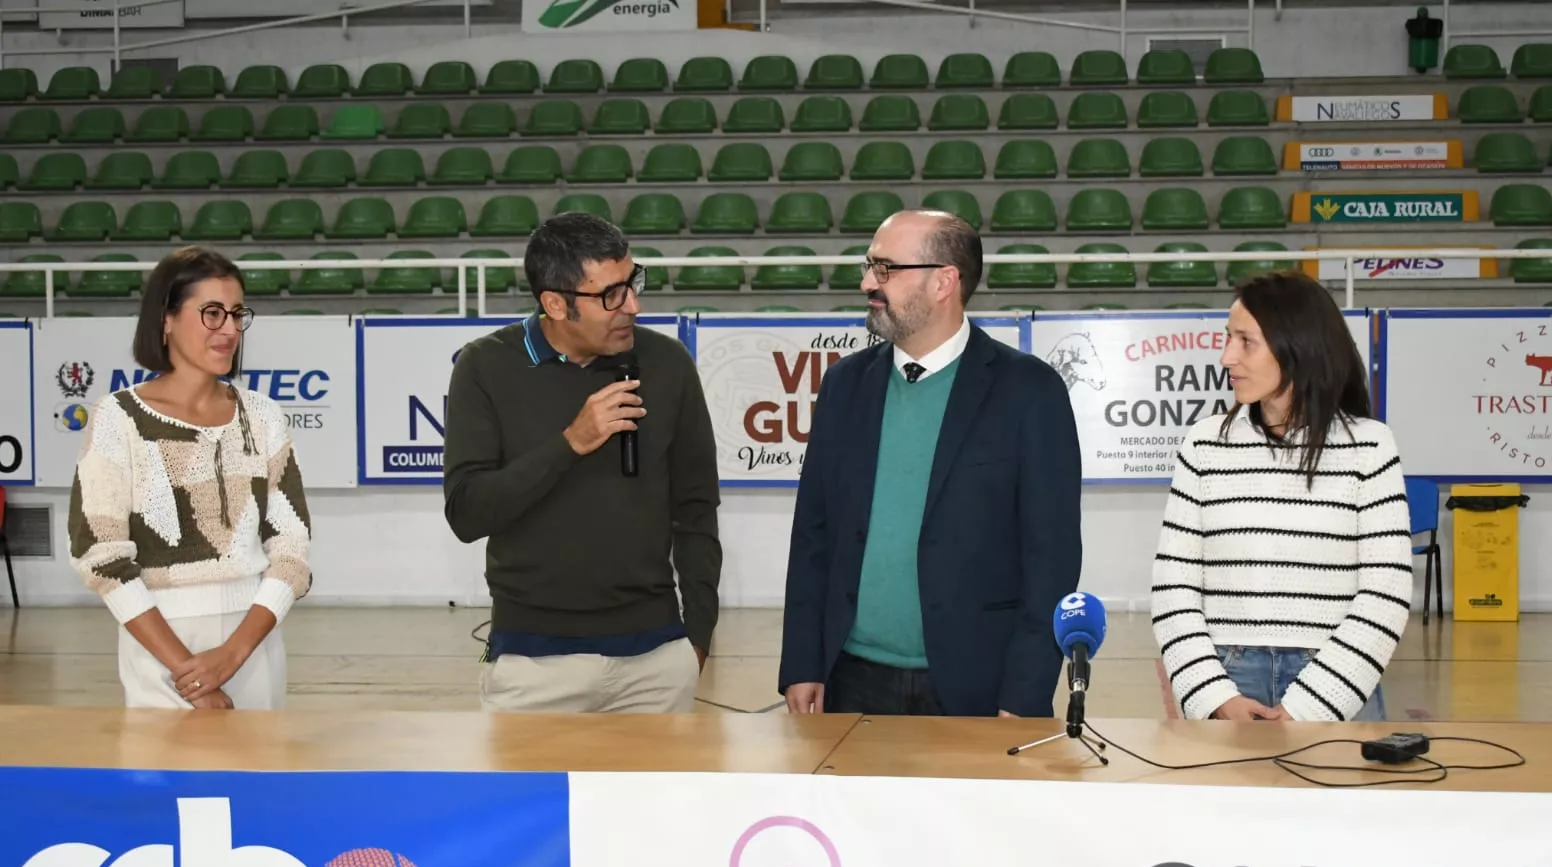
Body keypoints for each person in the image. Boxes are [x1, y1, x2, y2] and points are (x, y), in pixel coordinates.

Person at [779, 210, 1082, 718]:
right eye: (869, 266)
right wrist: (802, 662)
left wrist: (1025, 693)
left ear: (945, 282)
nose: (866, 283)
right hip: (849, 679)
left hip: (977, 685)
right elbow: (813, 534)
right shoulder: (844, 386)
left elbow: (1051, 558)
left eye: (884, 269)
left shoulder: (1029, 390)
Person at [444, 212, 721, 714]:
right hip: (533, 666)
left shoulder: (668, 364)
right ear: (554, 302)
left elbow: (696, 508)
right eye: (610, 294)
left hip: (657, 662)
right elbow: (467, 513)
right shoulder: (485, 368)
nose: (631, 306)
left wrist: (697, 637)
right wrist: (571, 442)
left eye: (633, 283)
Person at [1151, 271, 1412, 723]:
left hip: (1338, 685)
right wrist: (1214, 699)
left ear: (1297, 346)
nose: (1226, 356)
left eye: (1245, 341)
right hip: (1226, 681)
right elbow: (1174, 587)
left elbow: (1386, 592)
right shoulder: (1204, 444)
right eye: (1227, 339)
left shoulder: (1371, 445)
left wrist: (1311, 707)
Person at [68, 246, 312, 710]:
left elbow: (292, 550)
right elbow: (100, 558)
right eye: (212, 313)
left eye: (237, 314)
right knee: (170, 782)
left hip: (254, 645)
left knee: (257, 781)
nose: (229, 329)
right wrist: (190, 674)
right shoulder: (116, 417)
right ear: (166, 319)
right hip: (158, 647)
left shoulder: (263, 416)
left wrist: (234, 653)